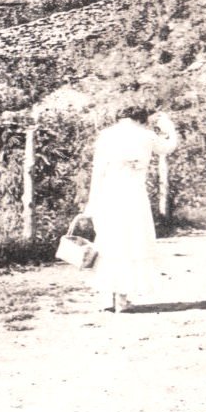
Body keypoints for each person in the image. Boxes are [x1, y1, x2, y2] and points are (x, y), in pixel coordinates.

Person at [83, 106, 178, 313]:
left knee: (110, 243)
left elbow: (97, 172)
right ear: (142, 119)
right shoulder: (146, 135)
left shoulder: (106, 136)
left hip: (109, 194)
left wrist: (92, 201)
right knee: (132, 244)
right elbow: (169, 147)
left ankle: (110, 297)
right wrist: (168, 126)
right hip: (133, 196)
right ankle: (122, 300)